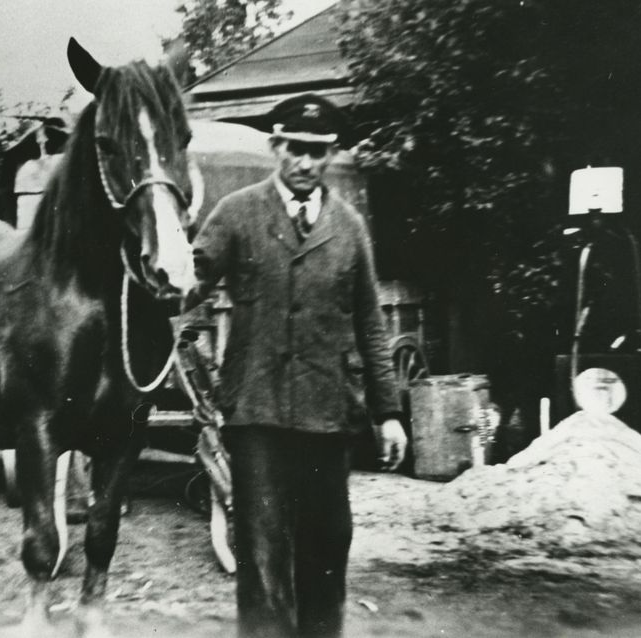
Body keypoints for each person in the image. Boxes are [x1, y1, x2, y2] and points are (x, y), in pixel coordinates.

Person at [186, 93, 408, 638]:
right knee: (261, 549)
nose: (307, 164)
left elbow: (371, 325)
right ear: (275, 147)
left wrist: (389, 412)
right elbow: (184, 284)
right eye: (296, 150)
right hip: (256, 414)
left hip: (327, 414)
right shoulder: (236, 213)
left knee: (328, 544)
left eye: (318, 152)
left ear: (330, 153)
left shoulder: (350, 227)